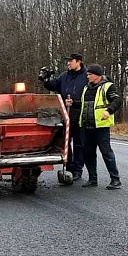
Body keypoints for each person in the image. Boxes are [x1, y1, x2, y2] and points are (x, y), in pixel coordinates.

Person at [38, 53, 88, 181]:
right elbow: (53, 86)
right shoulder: (64, 76)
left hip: (80, 114)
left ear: (79, 62)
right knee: (66, 143)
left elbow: (89, 96)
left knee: (79, 144)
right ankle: (70, 167)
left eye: (71, 61)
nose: (68, 63)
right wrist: (46, 80)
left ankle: (78, 170)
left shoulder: (86, 76)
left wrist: (76, 103)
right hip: (65, 114)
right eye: (68, 61)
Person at [79, 64, 122, 189]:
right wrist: (72, 103)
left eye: (90, 74)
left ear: (97, 75)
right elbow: (84, 104)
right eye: (87, 74)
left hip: (101, 126)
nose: (87, 76)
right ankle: (92, 179)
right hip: (87, 126)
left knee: (106, 152)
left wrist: (109, 111)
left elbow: (117, 100)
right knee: (88, 153)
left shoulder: (108, 86)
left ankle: (115, 180)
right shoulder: (86, 88)